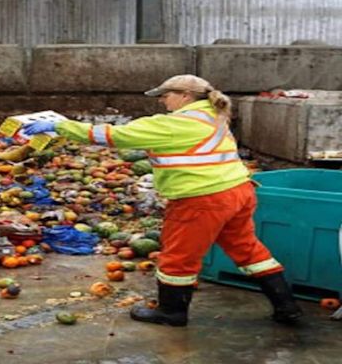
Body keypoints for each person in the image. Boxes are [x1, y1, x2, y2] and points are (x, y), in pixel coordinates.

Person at [23, 74, 303, 327]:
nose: (162, 101)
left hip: (201, 198)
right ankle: (286, 306)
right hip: (238, 190)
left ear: (185, 96)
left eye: (165, 95)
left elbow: (114, 135)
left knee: (178, 257)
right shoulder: (213, 116)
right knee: (248, 250)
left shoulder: (173, 124)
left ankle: (171, 312)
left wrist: (60, 126)